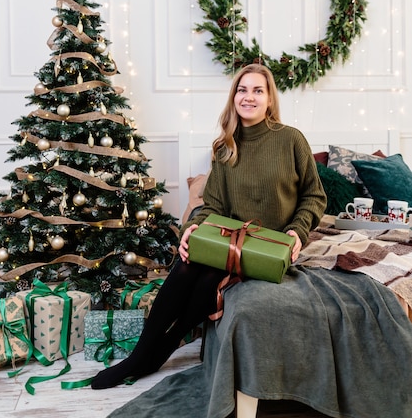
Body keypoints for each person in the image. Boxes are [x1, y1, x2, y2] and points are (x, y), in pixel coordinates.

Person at [91, 63, 327, 390]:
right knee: (189, 266)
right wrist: (192, 227)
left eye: (258, 90)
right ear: (234, 98)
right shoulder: (224, 147)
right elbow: (213, 206)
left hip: (268, 249)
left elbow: (314, 196)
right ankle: (144, 355)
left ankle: (156, 350)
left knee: (206, 282)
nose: (249, 97)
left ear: (270, 99)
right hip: (230, 242)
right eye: (242, 90)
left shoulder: (291, 140)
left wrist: (297, 231)